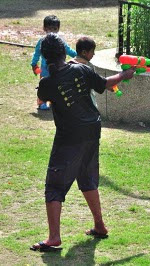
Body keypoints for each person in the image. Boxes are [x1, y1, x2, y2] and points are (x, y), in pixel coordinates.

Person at [30, 33, 135, 252]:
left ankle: (54, 238)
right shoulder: (81, 69)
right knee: (87, 178)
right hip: (92, 130)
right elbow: (105, 84)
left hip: (69, 137)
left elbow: (42, 99)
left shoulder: (47, 84)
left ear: (46, 57)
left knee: (55, 187)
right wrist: (124, 74)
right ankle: (100, 225)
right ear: (63, 52)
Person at [31, 15, 77, 110]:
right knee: (44, 85)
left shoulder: (60, 41)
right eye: (49, 29)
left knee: (59, 84)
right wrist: (34, 64)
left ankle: (55, 100)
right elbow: (36, 53)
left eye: (55, 29)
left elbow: (68, 50)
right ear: (44, 28)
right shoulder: (42, 41)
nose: (52, 31)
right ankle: (41, 102)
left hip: (59, 68)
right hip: (45, 69)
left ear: (58, 29)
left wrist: (78, 56)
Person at [69, 36, 98, 109]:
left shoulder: (69, 64)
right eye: (92, 51)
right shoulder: (89, 66)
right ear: (84, 52)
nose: (94, 54)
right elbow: (95, 82)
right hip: (88, 100)